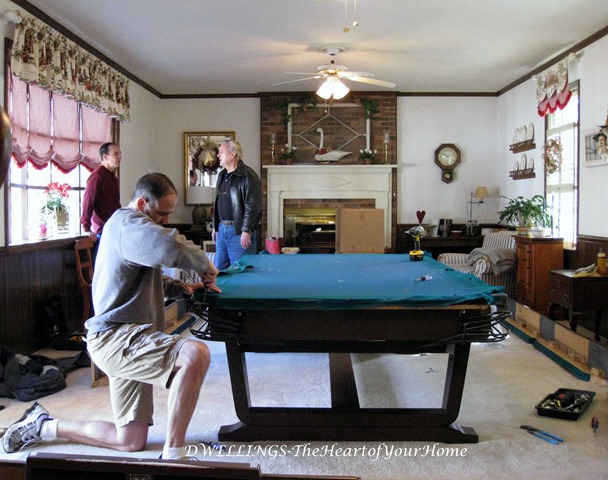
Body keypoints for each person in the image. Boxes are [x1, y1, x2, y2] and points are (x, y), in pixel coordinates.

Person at [3, 172, 221, 460]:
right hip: (116, 337)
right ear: (142, 203)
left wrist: (182, 288)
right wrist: (205, 264)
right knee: (196, 355)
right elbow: (172, 246)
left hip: (125, 337)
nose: (166, 219)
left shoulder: (128, 229)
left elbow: (138, 278)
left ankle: (44, 426)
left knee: (129, 440)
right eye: (162, 213)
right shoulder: (128, 224)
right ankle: (174, 456)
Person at [212, 140, 262, 270]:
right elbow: (218, 202)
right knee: (219, 272)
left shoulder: (248, 175)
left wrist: (247, 230)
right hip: (222, 230)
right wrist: (215, 227)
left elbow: (253, 205)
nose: (218, 155)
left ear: (233, 154)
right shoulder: (221, 175)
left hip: (239, 231)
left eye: (221, 152)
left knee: (241, 272)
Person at [80, 142, 122, 252]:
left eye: (120, 154)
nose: (119, 157)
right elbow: (87, 203)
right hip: (102, 232)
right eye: (116, 154)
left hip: (114, 229)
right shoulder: (97, 176)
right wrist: (86, 228)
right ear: (105, 157)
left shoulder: (113, 177)